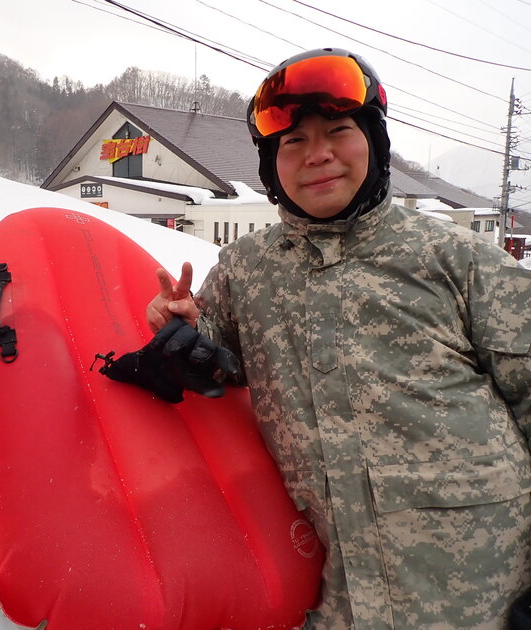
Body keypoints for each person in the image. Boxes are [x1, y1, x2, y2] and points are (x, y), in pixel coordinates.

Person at [146, 48, 531, 629]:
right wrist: (180, 328)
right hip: (340, 601)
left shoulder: (457, 257)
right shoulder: (247, 268)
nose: (317, 154)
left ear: (375, 144)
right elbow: (217, 355)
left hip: (484, 592)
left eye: (338, 131)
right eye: (292, 142)